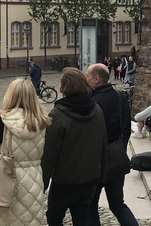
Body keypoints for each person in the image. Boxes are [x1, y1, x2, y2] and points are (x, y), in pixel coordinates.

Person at [41, 67, 107, 226]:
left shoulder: (58, 115)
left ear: (63, 89)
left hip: (64, 182)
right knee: (82, 219)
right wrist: (101, 176)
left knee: (54, 218)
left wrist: (41, 185)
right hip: (89, 179)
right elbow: (103, 146)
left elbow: (49, 155)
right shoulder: (97, 110)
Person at [0, 78, 51, 225]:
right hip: (33, 178)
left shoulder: (2, 122)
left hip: (6, 178)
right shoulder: (42, 122)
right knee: (29, 219)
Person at [85, 63, 137, 226]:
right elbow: (126, 127)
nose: (85, 79)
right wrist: (120, 147)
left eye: (87, 76)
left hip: (97, 162)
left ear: (96, 79)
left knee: (90, 206)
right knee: (117, 204)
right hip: (116, 157)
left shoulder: (92, 102)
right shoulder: (120, 96)